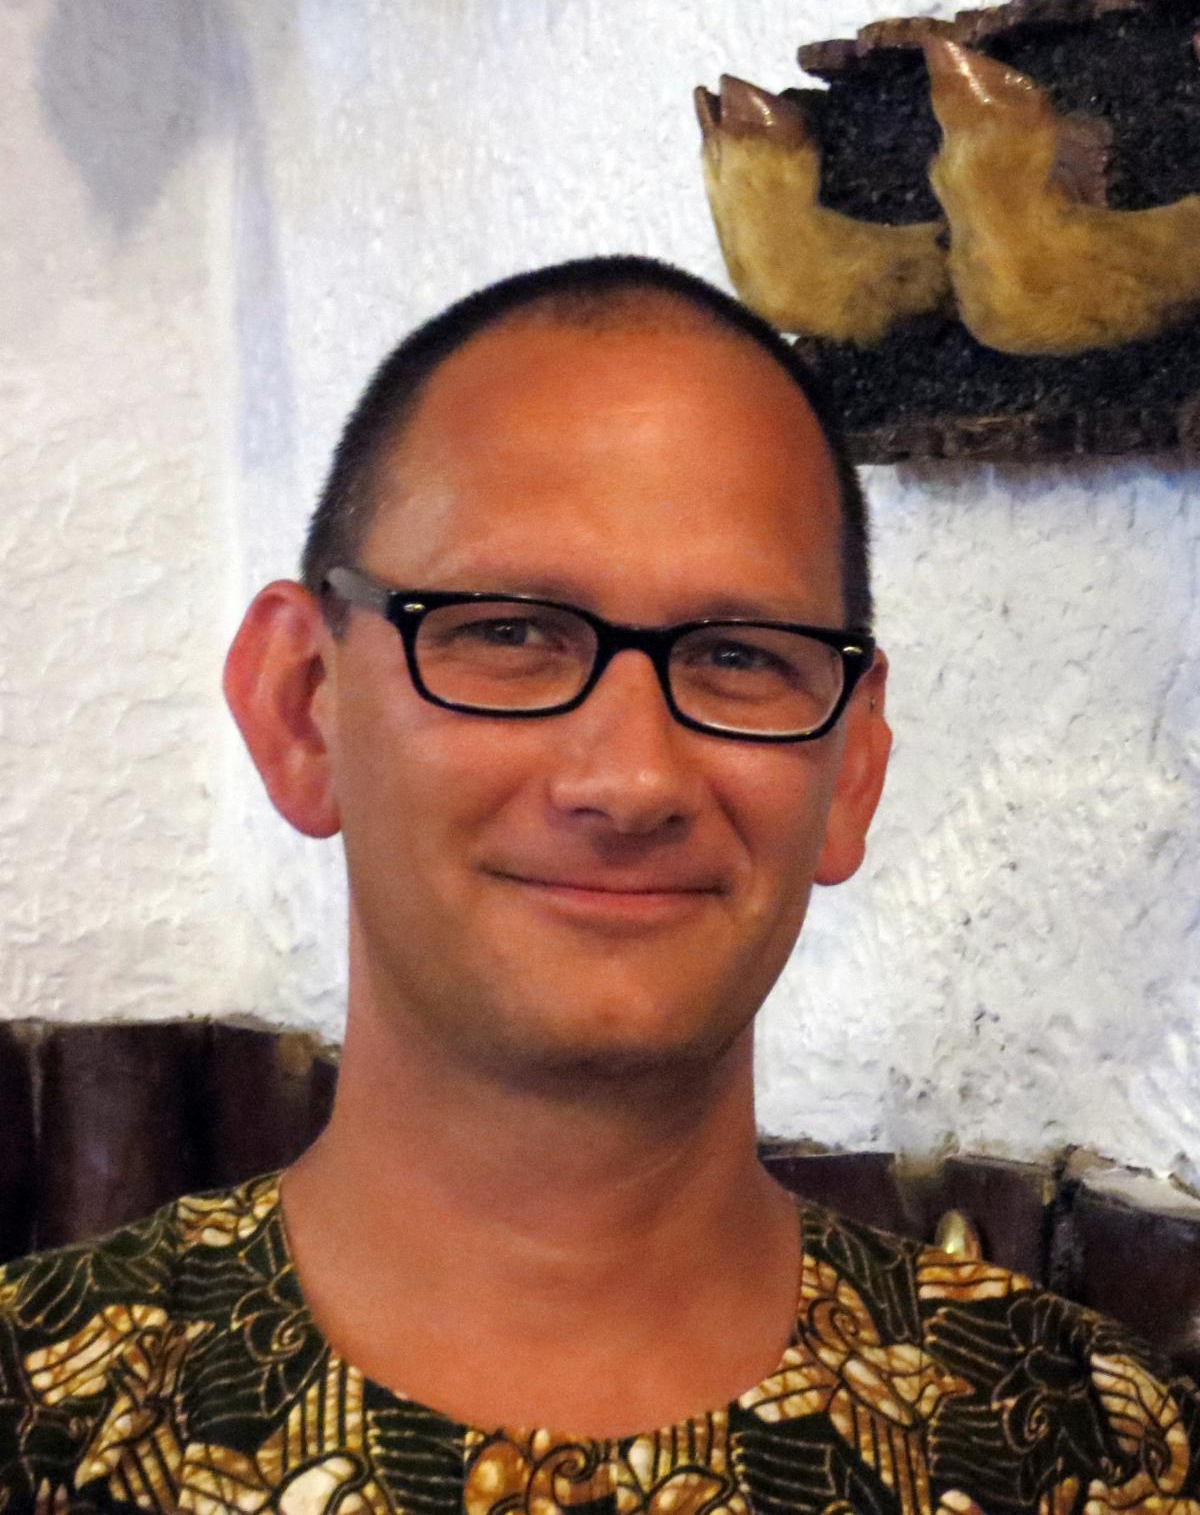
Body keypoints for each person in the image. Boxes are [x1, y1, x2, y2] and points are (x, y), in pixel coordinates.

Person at [0, 256, 1196, 1514]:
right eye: (508, 631)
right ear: (303, 706)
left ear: (851, 764)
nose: (631, 779)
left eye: (740, 655)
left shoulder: (1080, 1446)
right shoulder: (46, 1418)